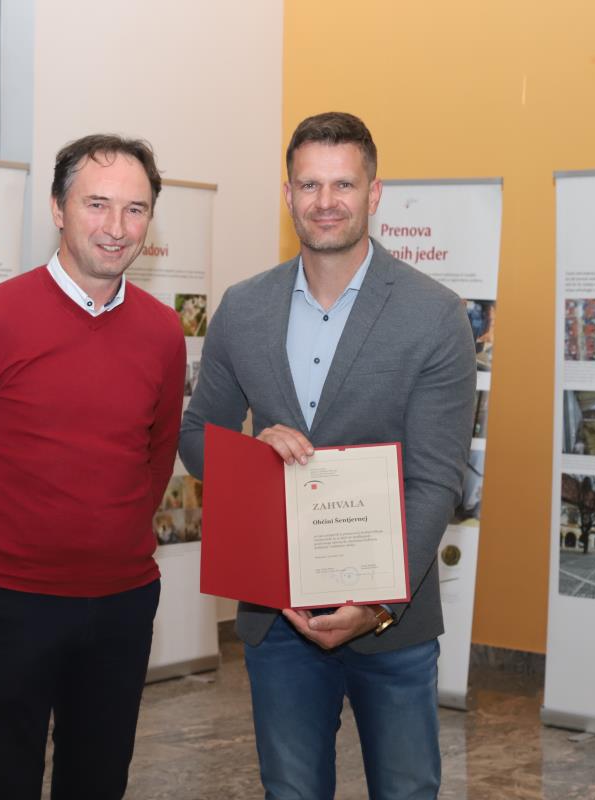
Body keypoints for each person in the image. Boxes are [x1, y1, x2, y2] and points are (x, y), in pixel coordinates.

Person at [179, 112, 475, 799]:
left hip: (391, 622)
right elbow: (195, 436)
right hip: (277, 615)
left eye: (344, 184)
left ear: (375, 194)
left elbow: (436, 480)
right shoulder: (243, 308)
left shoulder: (435, 314)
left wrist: (375, 603)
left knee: (405, 791)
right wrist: (249, 454)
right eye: (309, 184)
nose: (326, 201)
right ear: (288, 195)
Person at [0, 134, 186, 800]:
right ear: (58, 208)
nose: (116, 227)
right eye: (97, 204)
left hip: (123, 602)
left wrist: (111, 541)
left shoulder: (163, 331)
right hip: (12, 605)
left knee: (99, 782)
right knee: (4, 783)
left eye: (135, 209)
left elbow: (155, 453)